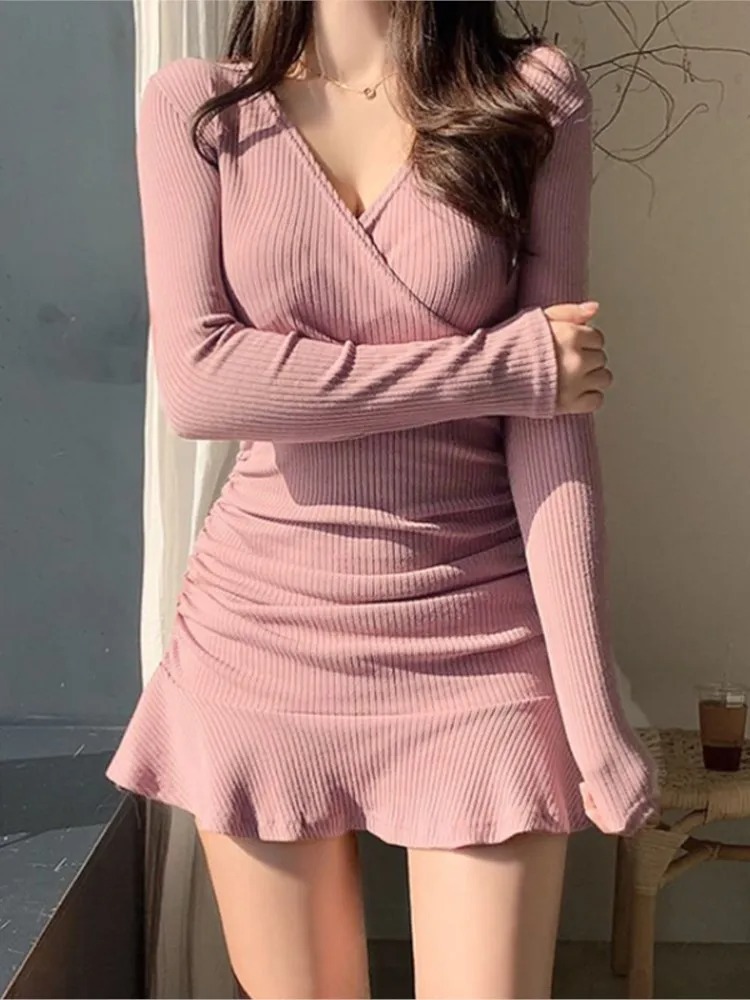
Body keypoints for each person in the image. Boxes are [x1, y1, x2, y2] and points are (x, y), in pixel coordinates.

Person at [107, 1, 658, 996]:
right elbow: (202, 388)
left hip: (478, 639)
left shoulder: (533, 96)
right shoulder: (198, 107)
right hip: (260, 640)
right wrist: (498, 368)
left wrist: (596, 716)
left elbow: (554, 422)